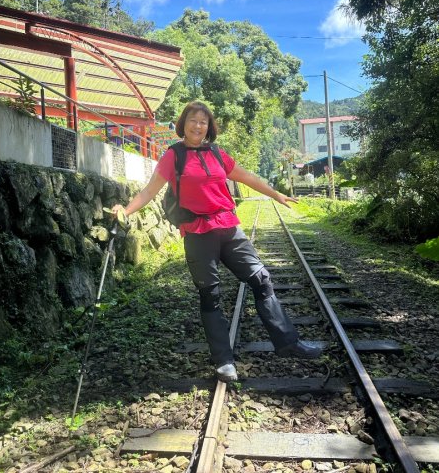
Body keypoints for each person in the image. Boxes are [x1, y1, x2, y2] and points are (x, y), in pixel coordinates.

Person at [112, 101, 322, 382]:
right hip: (197, 234)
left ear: (209, 127)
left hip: (228, 228)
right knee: (209, 295)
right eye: (193, 120)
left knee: (261, 279)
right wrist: (124, 210)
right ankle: (224, 361)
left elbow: (245, 176)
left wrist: (276, 194)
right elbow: (149, 191)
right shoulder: (173, 156)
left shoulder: (217, 154)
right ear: (183, 124)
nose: (198, 125)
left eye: (203, 122)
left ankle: (288, 343)